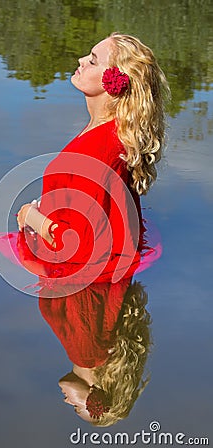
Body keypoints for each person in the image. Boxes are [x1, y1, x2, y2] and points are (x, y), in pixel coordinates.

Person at [16, 32, 170, 286]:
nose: (80, 60)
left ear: (113, 82)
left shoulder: (97, 150)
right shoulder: (114, 131)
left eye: (93, 61)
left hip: (82, 288)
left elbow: (78, 247)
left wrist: (30, 216)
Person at [39, 278, 152, 426]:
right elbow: (78, 284)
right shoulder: (87, 354)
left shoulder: (92, 352)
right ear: (95, 398)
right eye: (76, 407)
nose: (66, 400)